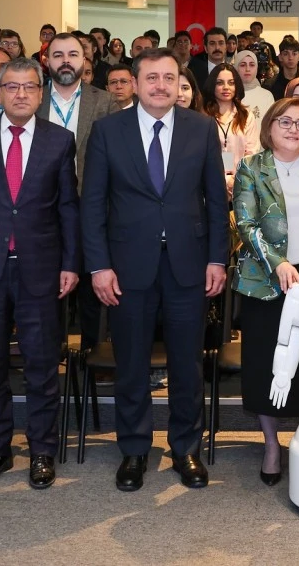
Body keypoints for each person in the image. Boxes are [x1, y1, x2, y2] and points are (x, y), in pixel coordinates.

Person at [82, 47, 230, 493]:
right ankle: (134, 449)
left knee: (187, 364)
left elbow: (216, 200)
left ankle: (185, 448)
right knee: (131, 364)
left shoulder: (201, 128)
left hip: (189, 264)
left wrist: (217, 258)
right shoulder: (108, 131)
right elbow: (93, 204)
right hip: (127, 268)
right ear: (135, 83)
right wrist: (99, 266)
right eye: (152, 78)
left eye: (169, 78)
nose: (161, 86)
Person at [0, 57, 81, 490]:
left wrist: (70, 263)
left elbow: (68, 208)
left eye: (29, 87)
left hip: (40, 269)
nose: (21, 94)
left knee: (41, 366)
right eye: (12, 87)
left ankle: (42, 451)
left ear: (41, 94)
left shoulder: (60, 141)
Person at [231, 98, 299, 484]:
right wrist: (277, 262)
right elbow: (246, 223)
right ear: (270, 127)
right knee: (267, 365)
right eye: (285, 122)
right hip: (267, 280)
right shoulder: (251, 166)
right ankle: (272, 446)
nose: (294, 129)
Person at [38, 31, 119, 194]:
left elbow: (118, 156)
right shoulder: (33, 100)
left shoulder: (106, 102)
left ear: (83, 60)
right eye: (58, 55)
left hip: (88, 197)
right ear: (47, 61)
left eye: (73, 55)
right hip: (41, 198)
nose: (66, 60)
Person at [204, 63, 261, 196]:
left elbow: (251, 152)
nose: (226, 87)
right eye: (220, 83)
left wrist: (236, 179)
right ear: (212, 85)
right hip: (209, 183)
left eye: (231, 83)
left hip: (240, 184)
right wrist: (224, 180)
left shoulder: (246, 115)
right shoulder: (203, 115)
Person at [234, 49, 274, 120]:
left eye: (252, 65)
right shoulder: (229, 94)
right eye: (243, 65)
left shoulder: (266, 96)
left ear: (256, 68)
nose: (247, 69)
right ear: (236, 68)